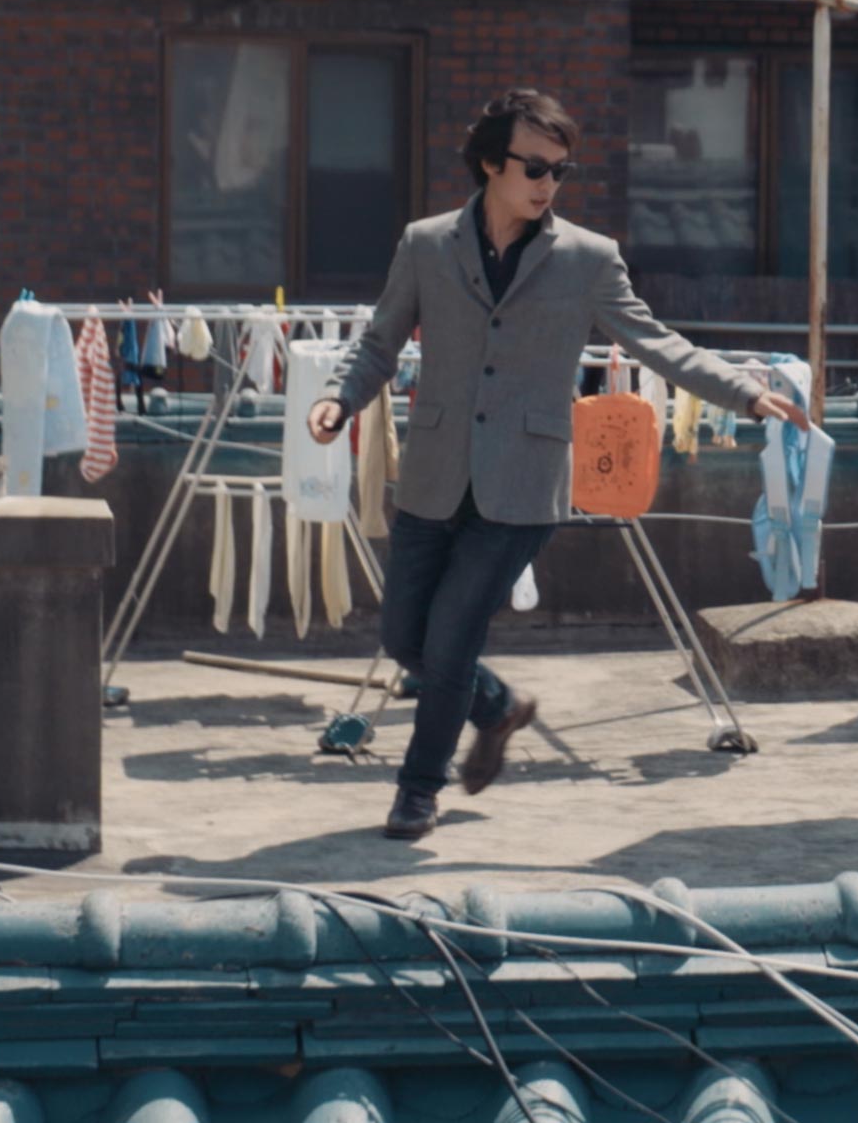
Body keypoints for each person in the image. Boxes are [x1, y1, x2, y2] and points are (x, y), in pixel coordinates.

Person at [312, 90, 810, 840]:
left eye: (560, 170)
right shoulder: (425, 243)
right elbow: (379, 342)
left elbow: (657, 343)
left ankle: (418, 788)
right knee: (405, 637)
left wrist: (744, 392)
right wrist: (338, 400)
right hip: (435, 472)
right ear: (491, 163)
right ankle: (499, 708)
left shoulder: (587, 258)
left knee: (449, 639)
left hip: (524, 485)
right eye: (535, 167)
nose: (548, 183)